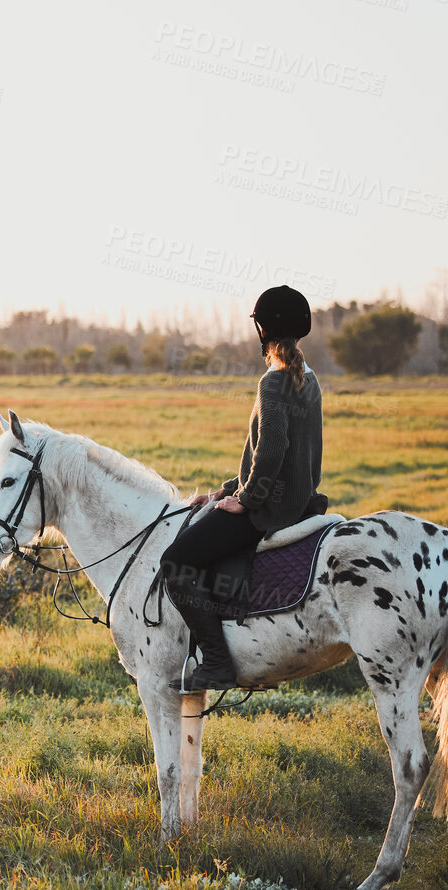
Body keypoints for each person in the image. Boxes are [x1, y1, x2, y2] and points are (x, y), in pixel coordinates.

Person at [160, 285, 325, 690]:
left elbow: (270, 450)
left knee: (175, 562)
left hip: (270, 507)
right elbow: (279, 457)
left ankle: (217, 661)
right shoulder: (308, 378)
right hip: (300, 501)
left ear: (262, 332)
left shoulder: (272, 382)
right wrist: (224, 491)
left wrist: (247, 500)